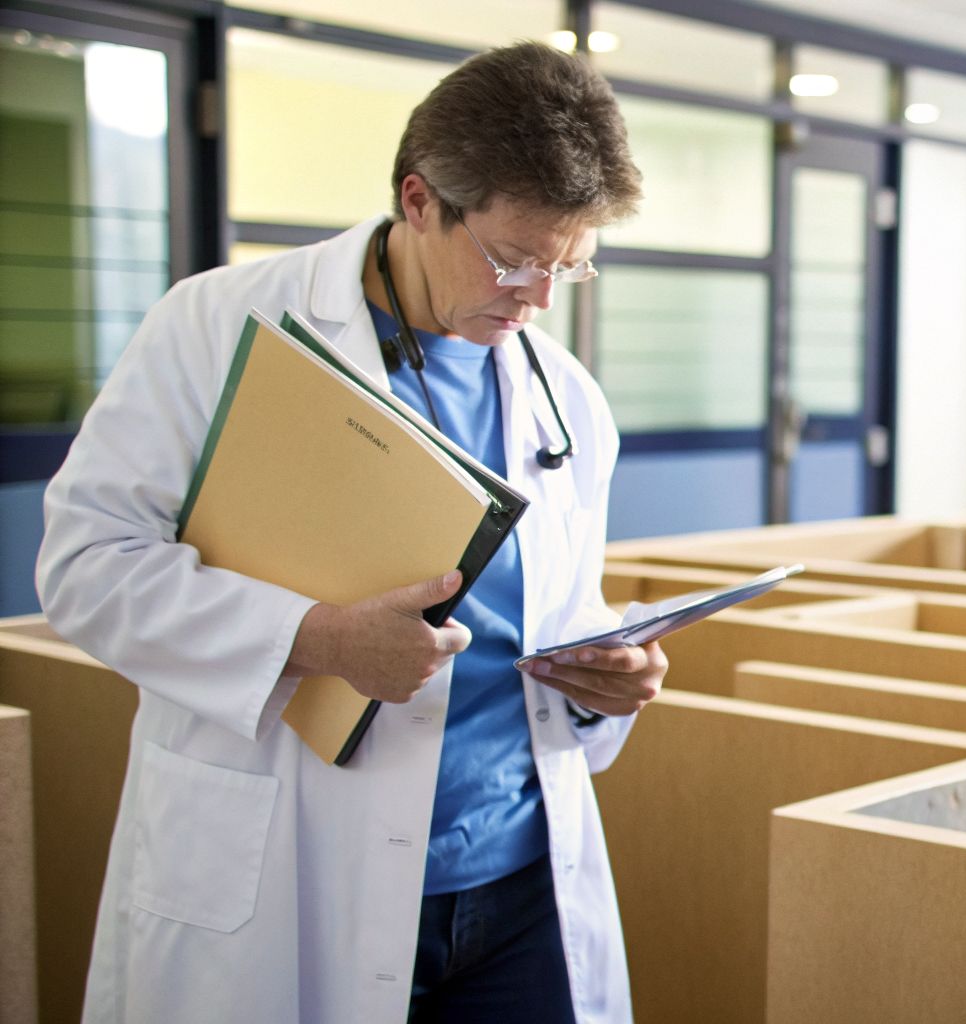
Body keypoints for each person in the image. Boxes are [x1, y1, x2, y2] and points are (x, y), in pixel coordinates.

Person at [36, 42, 662, 1023]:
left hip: (520, 882)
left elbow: (551, 616)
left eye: (567, 267)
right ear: (419, 200)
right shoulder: (218, 325)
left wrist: (605, 685)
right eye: (511, 258)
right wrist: (312, 639)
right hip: (297, 865)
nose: (537, 299)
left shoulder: (567, 398)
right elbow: (84, 568)